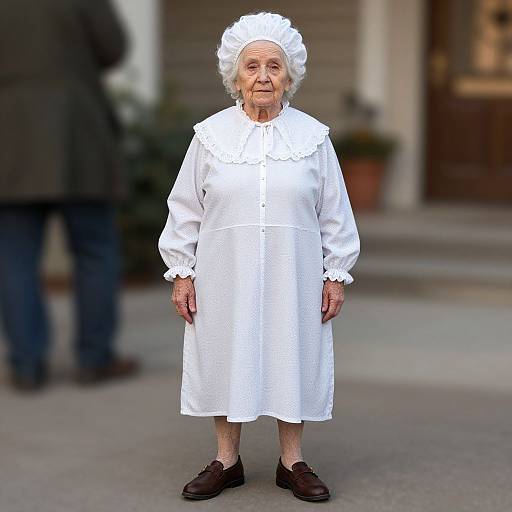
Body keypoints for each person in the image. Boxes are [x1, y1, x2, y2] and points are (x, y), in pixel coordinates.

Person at [158, 12, 360, 502]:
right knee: (228, 352)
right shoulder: (209, 136)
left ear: (290, 76)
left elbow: (335, 213)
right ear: (235, 74)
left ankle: (292, 463)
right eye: (252, 66)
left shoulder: (313, 138)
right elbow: (185, 208)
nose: (263, 76)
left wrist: (336, 273)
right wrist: (182, 272)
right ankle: (227, 461)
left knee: (293, 352)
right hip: (225, 271)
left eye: (274, 65)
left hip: (296, 271)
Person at [0, 0, 140, 392]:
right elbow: (112, 48)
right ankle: (94, 357)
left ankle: (27, 365)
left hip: (10, 137)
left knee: (15, 257)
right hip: (77, 131)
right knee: (95, 248)